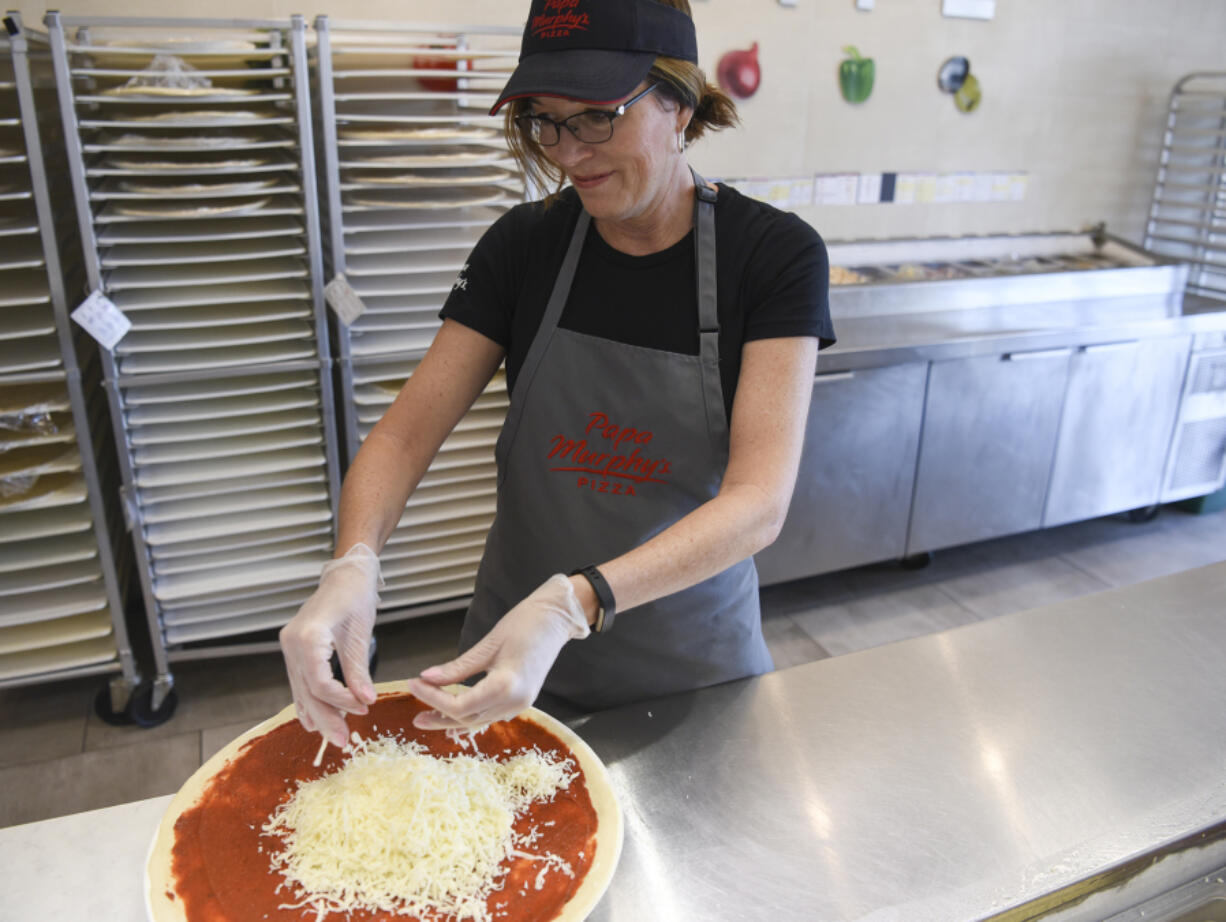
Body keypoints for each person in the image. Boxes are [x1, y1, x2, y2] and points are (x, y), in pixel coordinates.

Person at [280, 0, 835, 747]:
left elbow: (759, 503)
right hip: (505, 666)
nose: (568, 152)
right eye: (546, 120)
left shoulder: (772, 257)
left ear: (679, 103)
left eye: (596, 116)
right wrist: (352, 562)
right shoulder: (525, 246)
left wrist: (574, 603)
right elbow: (404, 437)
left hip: (689, 674)